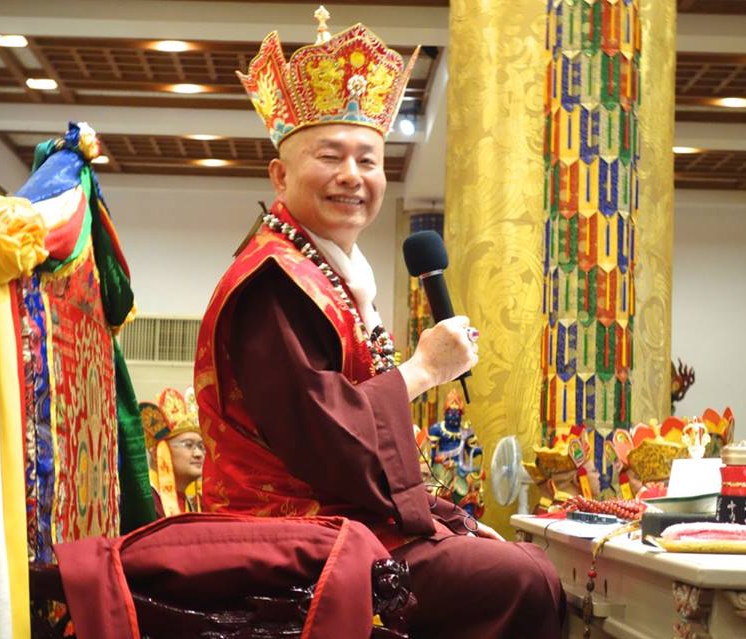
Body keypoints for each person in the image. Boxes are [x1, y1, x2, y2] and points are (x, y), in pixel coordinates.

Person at [195, 8, 564, 638]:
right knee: (520, 579)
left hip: (339, 518)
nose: (352, 176)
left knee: (513, 553)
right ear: (280, 174)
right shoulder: (274, 282)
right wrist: (422, 371)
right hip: (288, 531)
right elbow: (326, 440)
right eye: (329, 156)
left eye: (368, 160)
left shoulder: (327, 275)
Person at [141, 387, 204, 516]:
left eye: (201, 446)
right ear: (157, 453)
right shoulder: (145, 502)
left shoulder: (192, 503)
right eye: (188, 445)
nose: (198, 454)